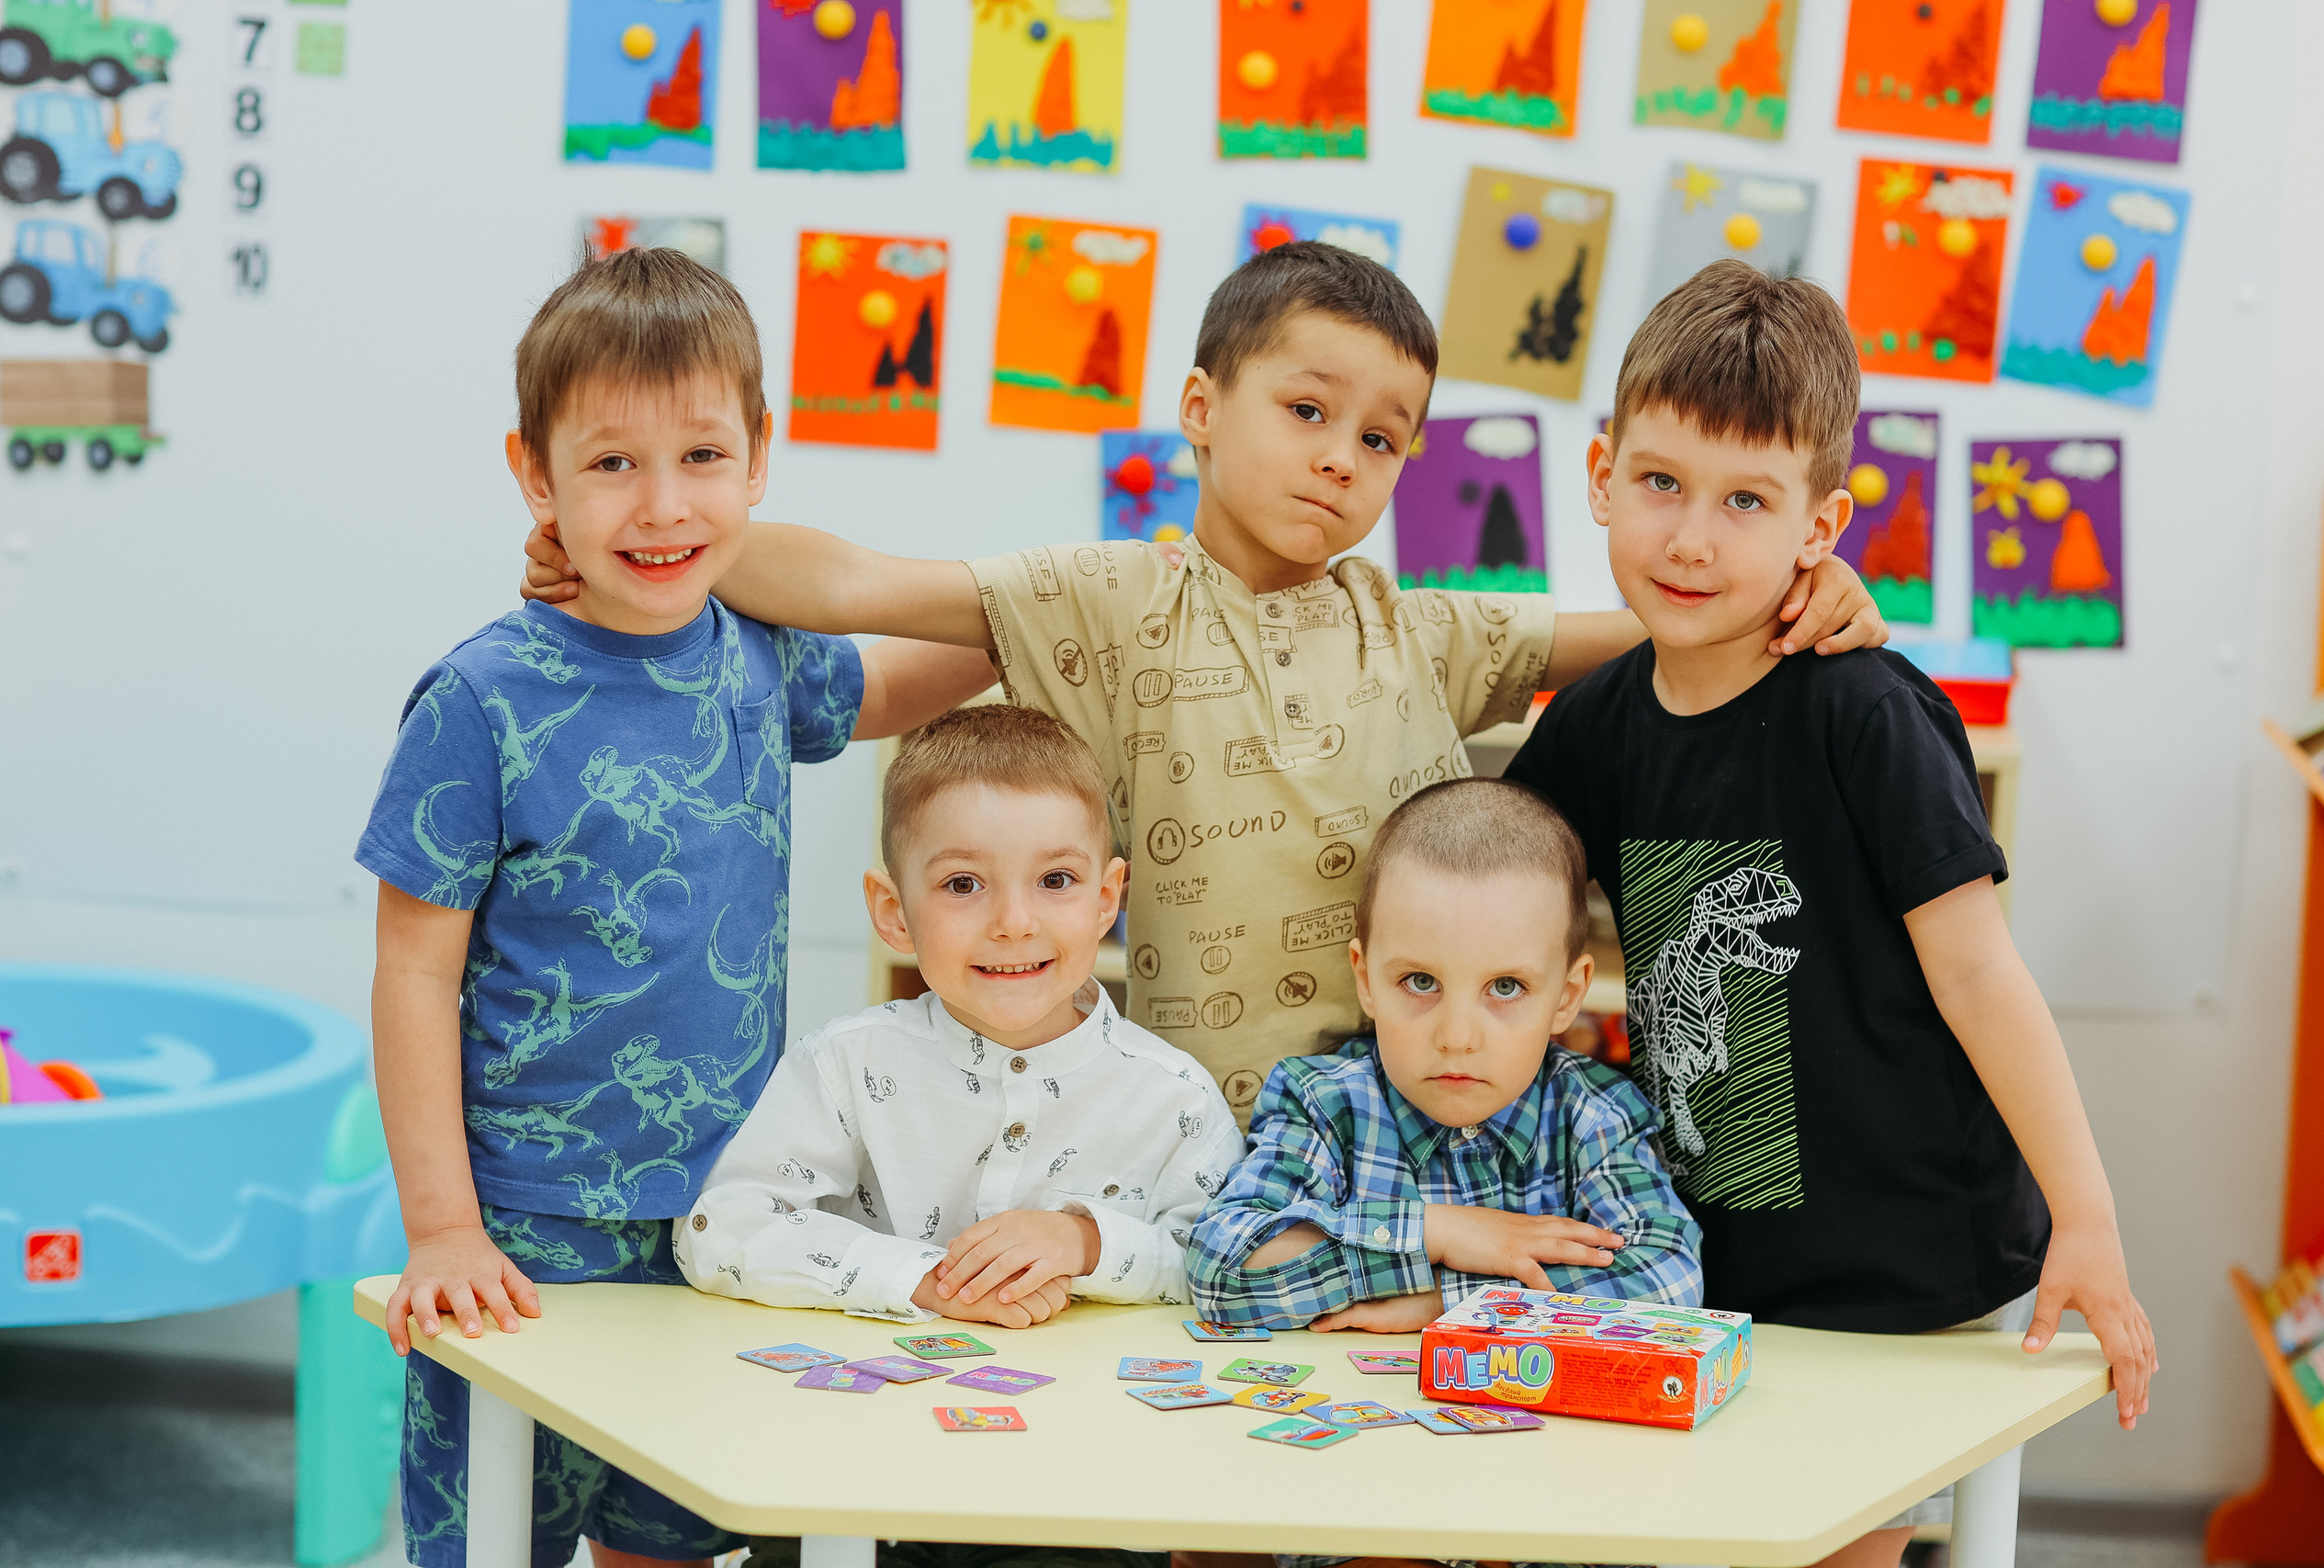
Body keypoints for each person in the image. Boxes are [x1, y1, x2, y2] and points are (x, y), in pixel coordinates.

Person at [520, 241, 1890, 1128]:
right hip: (1208, 1132)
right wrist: (646, 535)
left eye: (1381, 437)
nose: (1341, 457)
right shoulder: (1110, 598)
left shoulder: (1415, 625)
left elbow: (1650, 623)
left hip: (1436, 1119)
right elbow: (858, 584)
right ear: (1199, 409)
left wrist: (1798, 592)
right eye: (1306, 411)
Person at [1502, 260, 2158, 1568]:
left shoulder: (1869, 711)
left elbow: (1981, 977)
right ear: (1600, 475)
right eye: (1661, 484)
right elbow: (1499, 919)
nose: (1693, 538)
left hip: (1901, 1266)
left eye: (1746, 500)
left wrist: (2088, 1214)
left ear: (1821, 523)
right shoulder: (1595, 728)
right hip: (1704, 1253)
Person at [356, 248, 991, 1568]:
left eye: (703, 456)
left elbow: (878, 689)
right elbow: (413, 973)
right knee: (492, 1539)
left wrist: (1056, 618)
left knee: (676, 1544)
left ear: (763, 453)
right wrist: (443, 1227)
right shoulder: (481, 700)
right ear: (535, 473)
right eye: (610, 465)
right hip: (523, 1231)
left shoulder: (762, 654)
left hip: (728, 1214)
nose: (662, 506)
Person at [678, 702, 1244, 1325]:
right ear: (894, 911)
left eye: (1055, 880)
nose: (1014, 924)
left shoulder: (1178, 1098)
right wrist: (922, 1279)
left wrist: (1083, 1243)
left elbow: (1229, 1262)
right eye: (963, 884)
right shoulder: (845, 1063)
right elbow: (718, 1226)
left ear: (1106, 899)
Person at [1185, 776, 1701, 1333]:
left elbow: (1669, 1279)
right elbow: (1223, 1269)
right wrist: (1441, 1232)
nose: (1457, 1036)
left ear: (1567, 997)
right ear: (1366, 979)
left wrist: (1451, 1301)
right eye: (1420, 980)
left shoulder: (1596, 1115)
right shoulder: (1323, 1101)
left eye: (1505, 987)